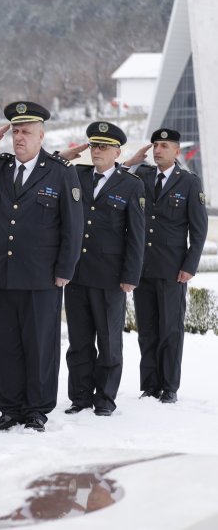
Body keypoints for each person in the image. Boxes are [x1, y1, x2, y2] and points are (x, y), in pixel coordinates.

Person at [0, 101, 83, 432]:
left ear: (41, 135)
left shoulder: (61, 172)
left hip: (41, 276)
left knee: (39, 345)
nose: (19, 138)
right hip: (0, 275)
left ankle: (36, 408)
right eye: (15, 131)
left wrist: (66, 269)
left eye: (26, 132)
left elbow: (72, 227)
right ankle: (10, 407)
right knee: (4, 346)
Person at [61, 122, 145, 416]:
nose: (97, 151)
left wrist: (130, 276)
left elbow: (136, 235)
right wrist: (66, 155)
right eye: (94, 145)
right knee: (79, 341)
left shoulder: (131, 185)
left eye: (104, 147)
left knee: (109, 342)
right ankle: (80, 397)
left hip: (110, 276)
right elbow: (49, 167)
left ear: (117, 152)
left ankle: (106, 399)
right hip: (77, 273)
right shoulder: (76, 175)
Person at [122, 128, 208, 403]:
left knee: (170, 329)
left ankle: (169, 387)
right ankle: (149, 385)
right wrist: (130, 162)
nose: (157, 150)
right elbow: (115, 181)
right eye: (155, 145)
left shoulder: (189, 182)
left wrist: (190, 265)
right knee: (147, 329)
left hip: (172, 270)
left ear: (176, 151)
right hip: (143, 267)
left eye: (164, 146)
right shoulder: (142, 175)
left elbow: (199, 230)